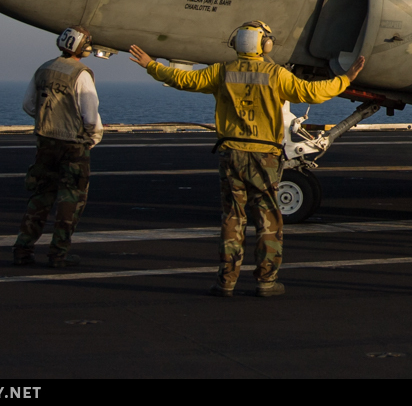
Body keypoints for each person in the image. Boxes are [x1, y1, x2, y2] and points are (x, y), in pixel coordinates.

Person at [130, 22, 362, 296]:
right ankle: (266, 282)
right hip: (264, 156)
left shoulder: (223, 71)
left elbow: (183, 80)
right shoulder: (275, 74)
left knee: (233, 217)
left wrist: (150, 65)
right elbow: (312, 92)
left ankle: (226, 281)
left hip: (232, 155)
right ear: (263, 44)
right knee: (268, 218)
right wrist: (346, 78)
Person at [13, 26, 104, 267]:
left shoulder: (44, 69)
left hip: (45, 143)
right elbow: (91, 116)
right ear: (81, 47)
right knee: (70, 202)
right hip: (73, 146)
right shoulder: (81, 74)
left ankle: (23, 250)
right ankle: (58, 255)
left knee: (40, 196)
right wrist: (92, 139)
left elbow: (29, 105)